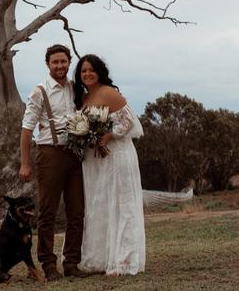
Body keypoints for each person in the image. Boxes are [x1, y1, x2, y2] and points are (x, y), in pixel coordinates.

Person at [19, 44, 88, 280]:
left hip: (75, 155)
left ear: (69, 63)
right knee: (47, 212)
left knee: (77, 211)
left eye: (63, 61)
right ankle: (48, 265)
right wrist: (25, 163)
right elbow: (27, 129)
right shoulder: (39, 91)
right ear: (47, 64)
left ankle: (72, 263)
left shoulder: (74, 88)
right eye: (55, 62)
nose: (60, 66)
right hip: (50, 153)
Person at [73, 54, 146, 275]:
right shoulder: (84, 98)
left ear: (99, 71)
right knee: (101, 206)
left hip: (117, 156)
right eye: (83, 71)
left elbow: (130, 121)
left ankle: (124, 260)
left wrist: (109, 136)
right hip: (96, 161)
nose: (87, 74)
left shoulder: (107, 92)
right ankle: (103, 259)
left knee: (121, 205)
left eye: (91, 70)